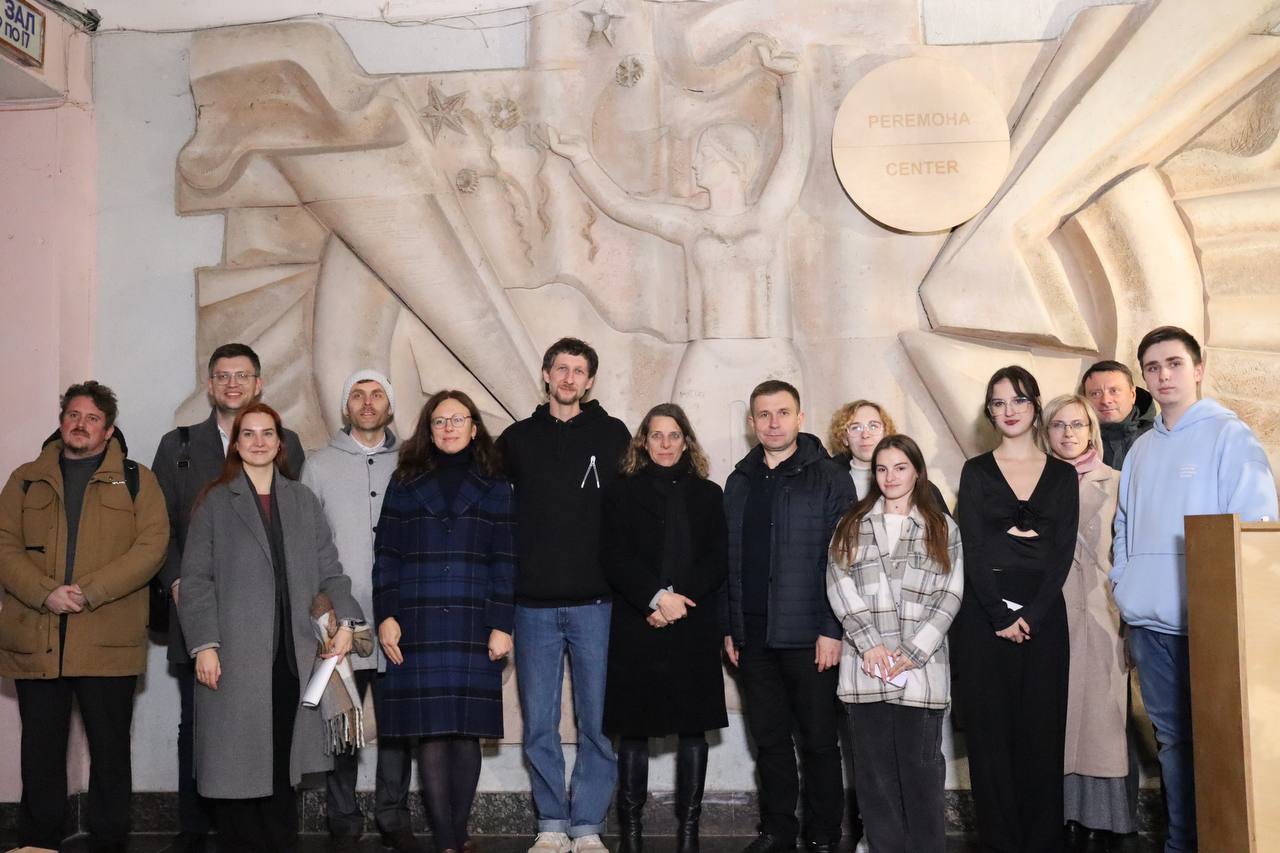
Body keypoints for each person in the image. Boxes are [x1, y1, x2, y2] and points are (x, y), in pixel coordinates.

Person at [546, 44, 811, 477]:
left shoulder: (766, 217)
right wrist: (581, 158)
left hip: (769, 351)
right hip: (708, 352)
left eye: (703, 156)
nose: (695, 167)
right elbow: (624, 206)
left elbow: (796, 153)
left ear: (731, 161)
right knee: (694, 460)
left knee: (784, 463)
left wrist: (793, 79)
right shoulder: (692, 225)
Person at [1112, 326, 1277, 853]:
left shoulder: (1231, 437)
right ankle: (1181, 844)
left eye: (1175, 363)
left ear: (1198, 369)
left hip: (1208, 625)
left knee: (1222, 742)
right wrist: (1124, 586)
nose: (1164, 375)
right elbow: (1124, 528)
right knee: (1172, 743)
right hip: (1148, 624)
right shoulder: (1140, 450)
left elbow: (1254, 528)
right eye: (1153, 367)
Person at [179, 402, 359, 853]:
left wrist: (347, 622)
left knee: (282, 766)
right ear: (236, 445)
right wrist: (204, 645)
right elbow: (196, 580)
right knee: (236, 767)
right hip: (233, 655)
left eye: (267, 434)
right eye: (248, 434)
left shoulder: (302, 501)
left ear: (280, 444)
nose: (258, 442)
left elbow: (331, 571)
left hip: (293, 657)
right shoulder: (215, 501)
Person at [0, 381, 169, 853]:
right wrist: (45, 593)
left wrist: (89, 591)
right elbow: (4, 544)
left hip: (107, 640)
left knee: (110, 753)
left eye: (92, 418)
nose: (81, 424)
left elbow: (152, 547)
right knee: (40, 753)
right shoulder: (25, 479)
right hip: (38, 638)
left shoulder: (138, 480)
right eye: (73, 415)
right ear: (61, 422)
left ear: (108, 429)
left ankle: (110, 841)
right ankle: (38, 842)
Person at [151, 342, 306, 853]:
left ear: (258, 383)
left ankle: (261, 833)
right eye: (222, 375)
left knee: (268, 726)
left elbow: (290, 534)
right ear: (210, 384)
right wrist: (179, 584)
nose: (232, 383)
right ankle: (196, 828)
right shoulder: (178, 446)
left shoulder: (289, 445)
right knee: (201, 725)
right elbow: (159, 526)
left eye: (242, 375)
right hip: (197, 613)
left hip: (265, 623)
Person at [496, 337, 631, 853]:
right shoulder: (516, 439)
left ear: (589, 380)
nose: (569, 378)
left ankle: (587, 825)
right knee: (539, 724)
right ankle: (552, 821)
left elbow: (631, 513)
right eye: (561, 368)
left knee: (598, 724)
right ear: (546, 375)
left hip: (597, 604)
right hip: (532, 606)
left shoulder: (613, 435)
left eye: (578, 370)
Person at [373, 389, 516, 853]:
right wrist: (386, 615)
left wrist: (502, 623)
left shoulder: (497, 485)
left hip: (474, 619)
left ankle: (458, 831)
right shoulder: (404, 481)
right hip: (417, 620)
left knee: (466, 730)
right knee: (432, 732)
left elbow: (506, 559)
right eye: (439, 421)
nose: (449, 428)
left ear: (474, 428)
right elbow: (386, 555)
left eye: (458, 420)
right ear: (428, 430)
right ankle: (448, 841)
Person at [722, 380, 855, 853]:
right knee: (770, 741)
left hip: (810, 636)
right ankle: (777, 830)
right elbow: (729, 560)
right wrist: (731, 627)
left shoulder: (830, 477)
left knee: (819, 741)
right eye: (764, 414)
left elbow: (843, 558)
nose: (773, 423)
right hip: (753, 636)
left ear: (800, 418)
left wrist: (831, 629)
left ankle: (823, 834)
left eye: (782, 413)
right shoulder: (739, 481)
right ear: (751, 422)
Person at [953, 366, 1078, 853]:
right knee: (989, 740)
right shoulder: (975, 471)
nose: (1009, 410)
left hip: (1044, 617)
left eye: (1019, 400)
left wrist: (1033, 614)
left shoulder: (1062, 474)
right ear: (989, 411)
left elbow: (1062, 552)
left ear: (1035, 406)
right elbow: (971, 547)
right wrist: (1000, 615)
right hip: (984, 617)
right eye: (999, 402)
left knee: (1042, 736)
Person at [826, 434, 963, 853]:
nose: (890, 477)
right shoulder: (851, 525)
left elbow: (950, 594)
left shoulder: (942, 527)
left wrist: (913, 651)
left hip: (920, 672)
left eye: (900, 467)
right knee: (875, 780)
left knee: (922, 776)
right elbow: (838, 582)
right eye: (882, 469)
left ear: (917, 472)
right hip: (865, 670)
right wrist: (869, 643)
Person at [301, 369, 420, 853]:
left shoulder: (412, 462)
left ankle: (393, 815)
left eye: (377, 395)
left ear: (390, 407)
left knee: (398, 727)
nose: (367, 403)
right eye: (357, 395)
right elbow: (308, 544)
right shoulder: (319, 465)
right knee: (341, 724)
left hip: (399, 617)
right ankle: (343, 820)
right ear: (345, 406)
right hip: (340, 621)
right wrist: (322, 613)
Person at [601, 404, 729, 853]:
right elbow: (614, 556)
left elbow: (717, 558)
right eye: (657, 435)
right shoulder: (620, 492)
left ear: (687, 441)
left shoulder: (709, 494)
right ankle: (631, 834)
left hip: (692, 623)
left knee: (694, 728)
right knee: (633, 729)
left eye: (674, 435)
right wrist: (655, 599)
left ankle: (688, 833)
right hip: (639, 622)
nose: (666, 444)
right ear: (643, 441)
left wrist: (677, 601)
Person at [1041, 394, 1134, 846]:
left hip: (1102, 611)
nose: (1069, 433)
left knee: (1102, 722)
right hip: (1050, 613)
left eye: (1077, 424)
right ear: (1046, 432)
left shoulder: (1116, 481)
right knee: (1055, 718)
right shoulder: (1032, 482)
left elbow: (1129, 550)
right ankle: (1059, 814)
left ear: (1091, 430)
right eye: (1059, 425)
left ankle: (1103, 818)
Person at [827, 399, 950, 510]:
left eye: (873, 426)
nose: (865, 435)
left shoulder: (923, 489)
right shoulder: (826, 484)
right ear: (844, 438)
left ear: (886, 433)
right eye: (855, 428)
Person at [1080, 360, 1156, 469]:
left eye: (1114, 391)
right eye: (1095, 394)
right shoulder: (1075, 442)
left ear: (1133, 395)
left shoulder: (1160, 437)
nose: (1105, 400)